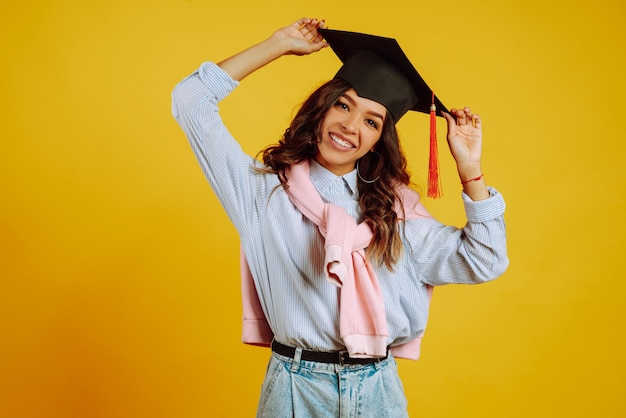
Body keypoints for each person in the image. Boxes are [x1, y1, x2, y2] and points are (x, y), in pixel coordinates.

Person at [171, 17, 508, 418]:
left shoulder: (396, 213)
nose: (349, 126)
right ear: (322, 107)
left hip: (377, 391)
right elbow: (190, 100)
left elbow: (485, 260)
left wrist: (471, 171)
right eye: (343, 104)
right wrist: (277, 45)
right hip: (295, 389)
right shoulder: (264, 193)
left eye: (370, 120)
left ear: (377, 140)